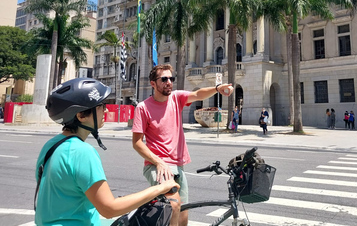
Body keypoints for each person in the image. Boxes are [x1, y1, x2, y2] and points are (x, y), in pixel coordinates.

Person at [36, 78, 179, 226]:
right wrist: (160, 188)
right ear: (81, 116)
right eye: (101, 106)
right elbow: (109, 209)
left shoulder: (50, 145)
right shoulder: (83, 152)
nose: (106, 110)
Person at [132, 64, 233, 226]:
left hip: (178, 166)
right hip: (156, 166)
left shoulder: (176, 98)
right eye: (164, 79)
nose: (169, 82)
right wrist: (159, 162)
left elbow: (197, 94)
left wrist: (217, 88)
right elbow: (137, 143)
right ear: (153, 84)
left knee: (183, 216)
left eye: (171, 79)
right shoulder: (143, 108)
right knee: (174, 204)